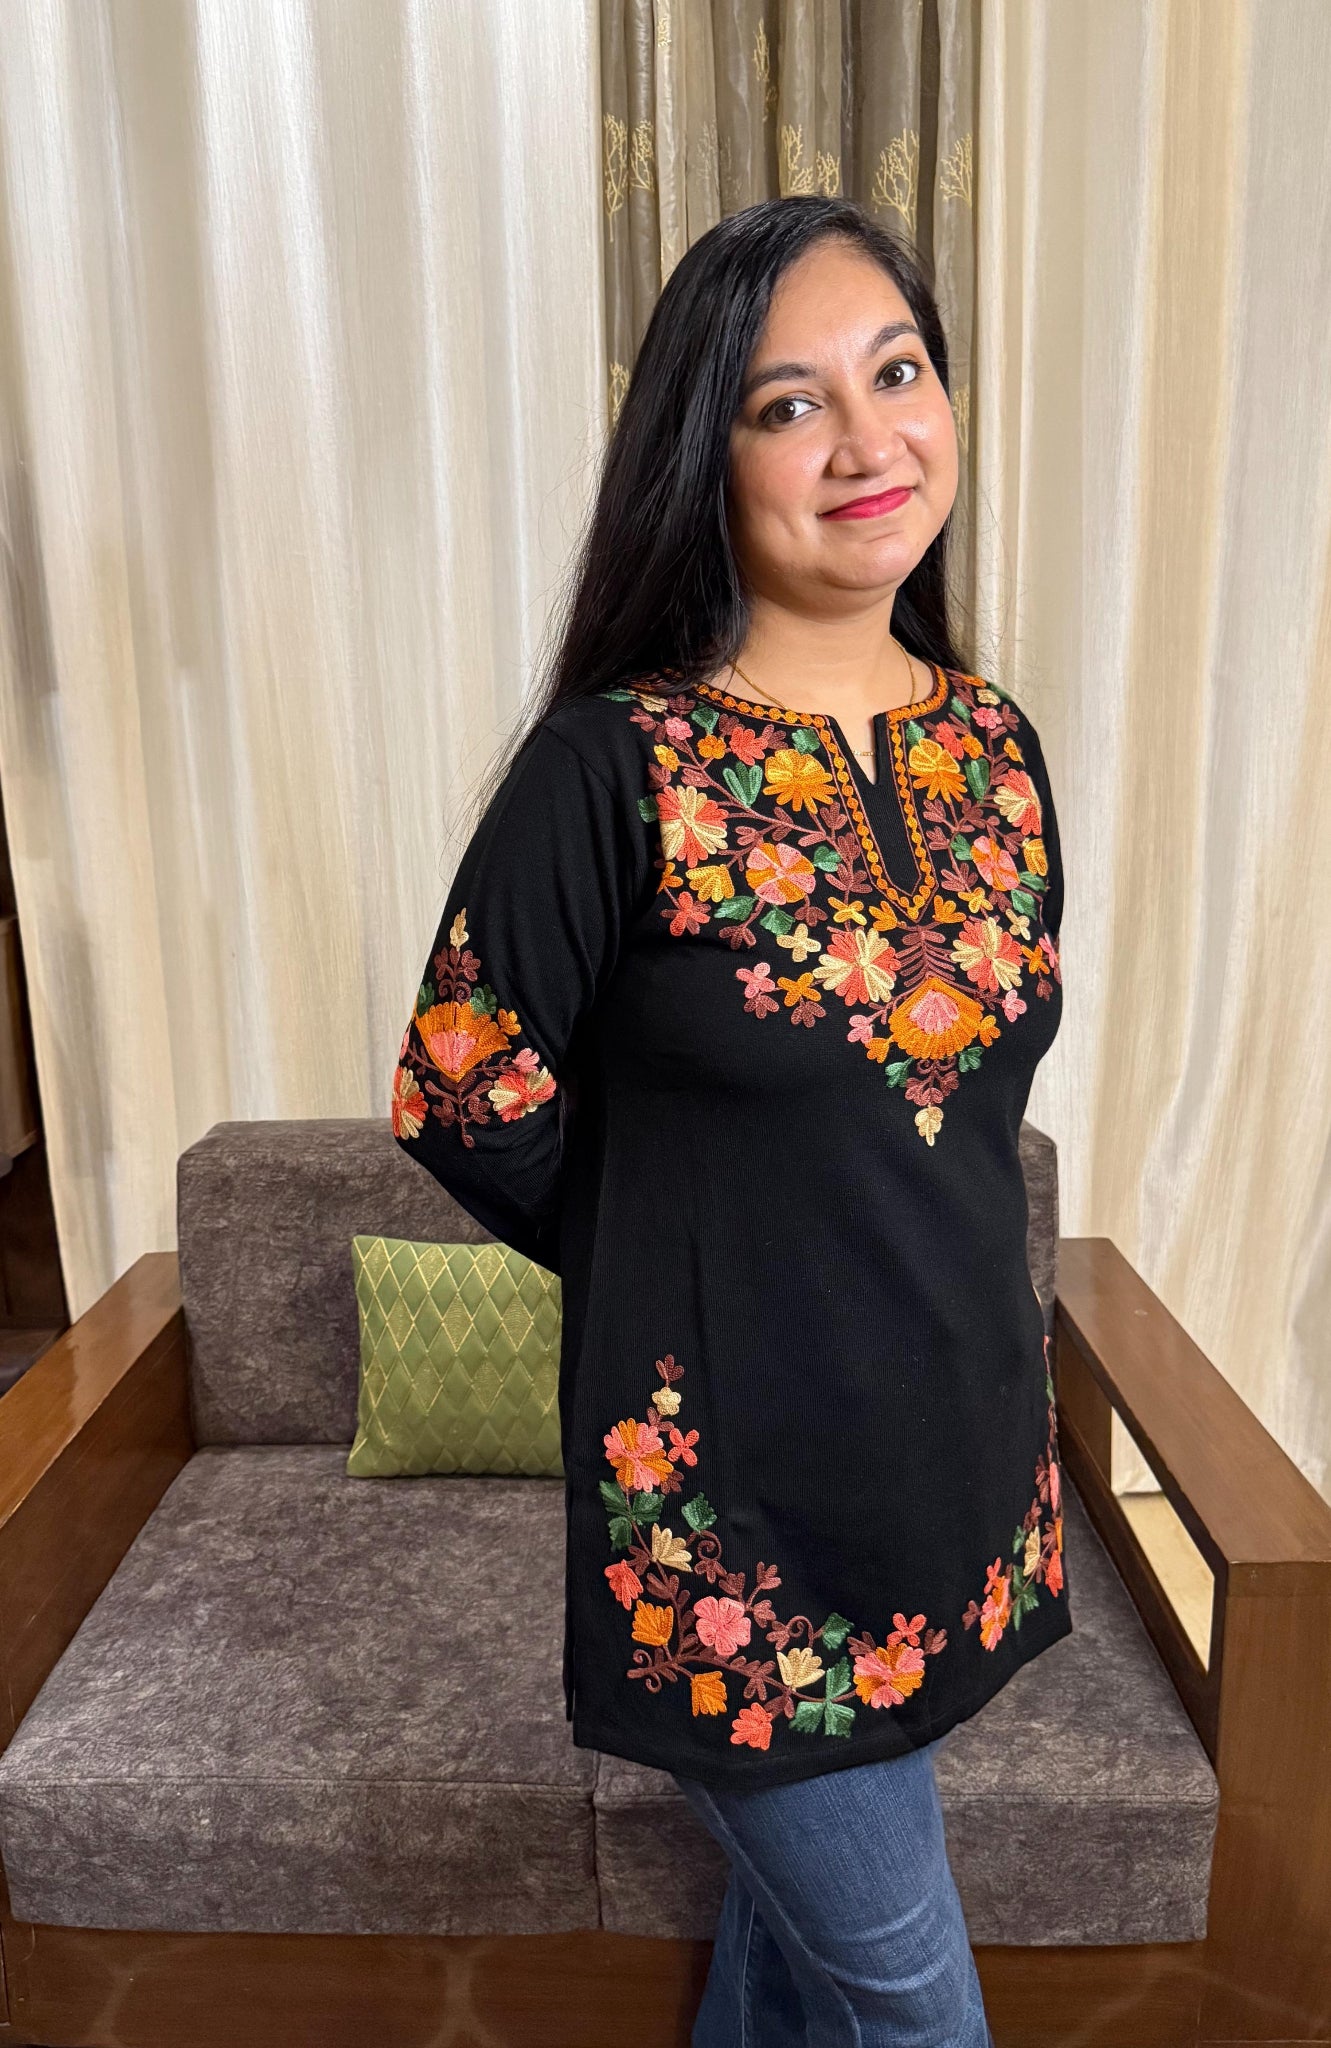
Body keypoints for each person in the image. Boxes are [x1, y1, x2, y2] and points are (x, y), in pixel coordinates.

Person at [392, 194, 1068, 2047]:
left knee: (795, 1962)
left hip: (957, 1489)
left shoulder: (993, 753)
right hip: (732, 1543)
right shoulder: (611, 767)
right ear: (710, 454)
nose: (868, 442)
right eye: (790, 404)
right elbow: (462, 1088)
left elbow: (950, 1120)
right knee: (921, 2017)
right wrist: (686, 1264)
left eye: (898, 371)